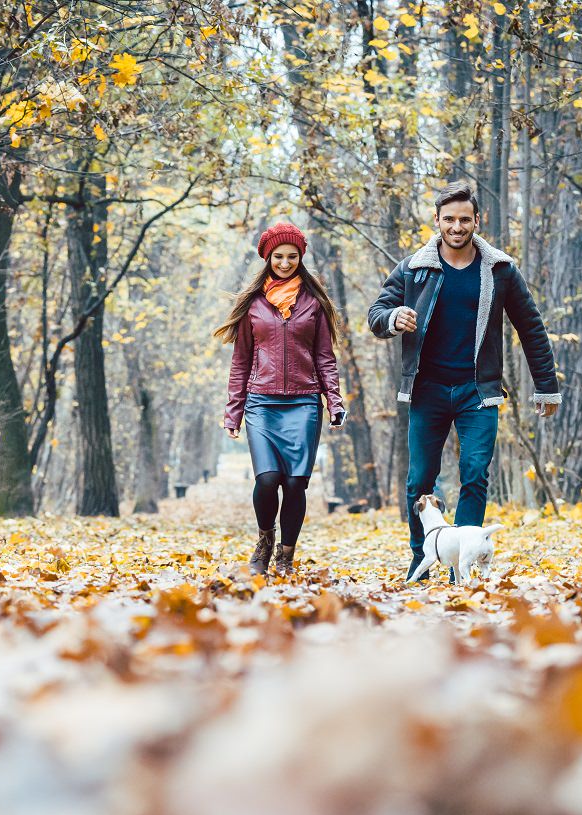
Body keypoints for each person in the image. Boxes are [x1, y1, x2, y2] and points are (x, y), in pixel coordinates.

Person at [367, 182, 560, 581]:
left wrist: (546, 386)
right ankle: (420, 558)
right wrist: (392, 319)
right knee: (419, 479)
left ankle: (462, 565)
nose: (457, 226)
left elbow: (531, 328)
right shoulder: (414, 268)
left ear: (477, 221)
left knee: (474, 473)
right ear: (437, 221)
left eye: (465, 219)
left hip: (479, 391)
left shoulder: (500, 270)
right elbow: (377, 312)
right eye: (449, 219)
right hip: (428, 390)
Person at [217, 222, 347, 575]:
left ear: (301, 257)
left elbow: (324, 358)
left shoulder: (314, 303)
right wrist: (234, 413)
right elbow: (241, 360)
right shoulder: (254, 305)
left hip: (304, 402)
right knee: (267, 479)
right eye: (279, 257)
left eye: (292, 257)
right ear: (268, 257)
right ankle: (264, 541)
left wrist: (334, 402)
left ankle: (286, 556)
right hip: (261, 402)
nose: (286, 263)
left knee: (294, 483)